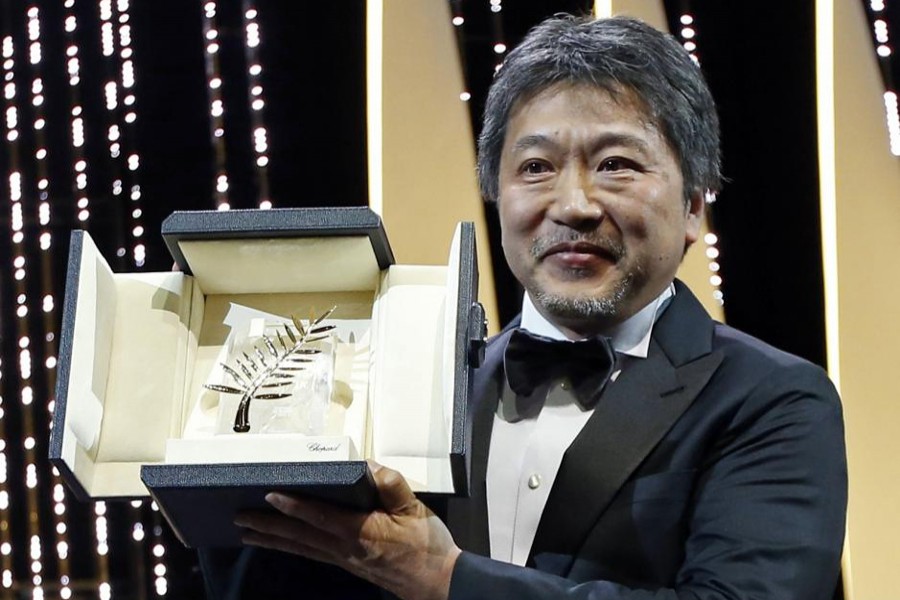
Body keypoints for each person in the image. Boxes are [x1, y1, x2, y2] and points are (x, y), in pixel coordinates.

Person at [205, 14, 847, 600]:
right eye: (536, 167)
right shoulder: (417, 389)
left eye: (617, 164)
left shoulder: (773, 399)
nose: (573, 204)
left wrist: (445, 578)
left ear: (693, 208)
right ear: (498, 196)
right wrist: (213, 476)